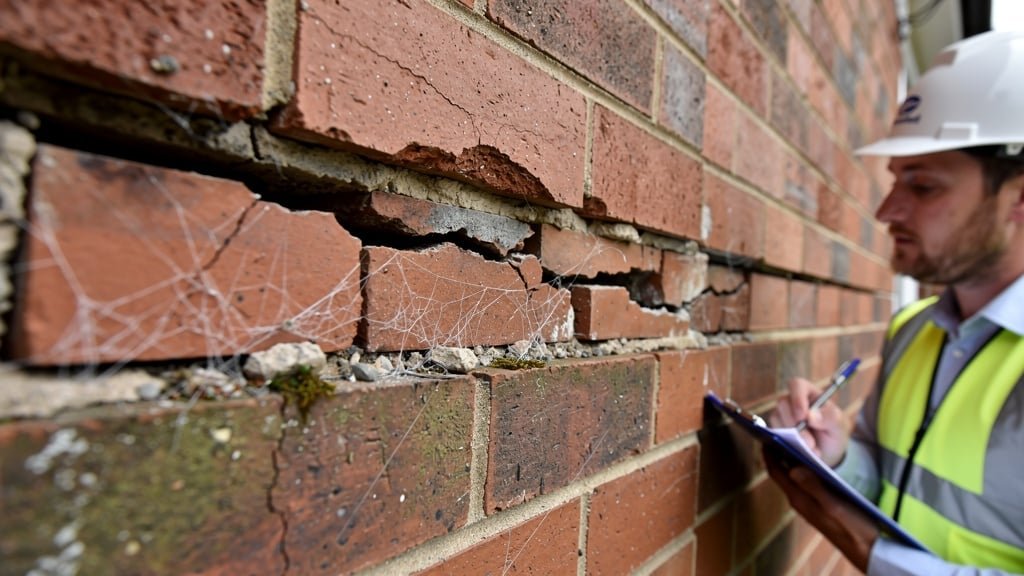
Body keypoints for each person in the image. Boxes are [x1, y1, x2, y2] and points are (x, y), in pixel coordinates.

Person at [767, 30, 1024, 575]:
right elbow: (893, 486)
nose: (887, 210)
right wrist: (837, 457)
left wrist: (871, 553)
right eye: (895, 181)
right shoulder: (912, 328)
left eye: (923, 186)